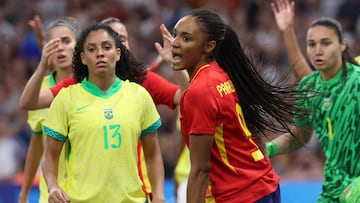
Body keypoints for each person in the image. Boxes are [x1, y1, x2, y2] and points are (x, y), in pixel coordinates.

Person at [171, 8, 306, 203]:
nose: (174, 43)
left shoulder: (199, 91)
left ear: (209, 46)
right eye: (175, 35)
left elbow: (201, 170)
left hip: (240, 195)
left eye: (186, 38)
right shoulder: (221, 75)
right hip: (262, 185)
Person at [42, 23, 165, 203]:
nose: (100, 53)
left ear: (117, 53)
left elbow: (153, 154)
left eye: (106, 47)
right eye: (92, 49)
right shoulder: (66, 98)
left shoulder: (139, 95)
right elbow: (50, 156)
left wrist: (159, 195)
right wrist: (52, 186)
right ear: (83, 58)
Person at [268, 0, 360, 202]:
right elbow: (299, 136)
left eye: (326, 43)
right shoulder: (310, 88)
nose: (318, 50)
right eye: (312, 44)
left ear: (343, 45)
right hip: (334, 190)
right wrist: (268, 149)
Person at [18, 17, 80, 203]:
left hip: (86, 193)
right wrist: (24, 193)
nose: (60, 48)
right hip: (51, 195)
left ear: (80, 47)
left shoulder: (91, 86)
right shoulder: (38, 90)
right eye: (54, 44)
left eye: (67, 41)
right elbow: (36, 146)